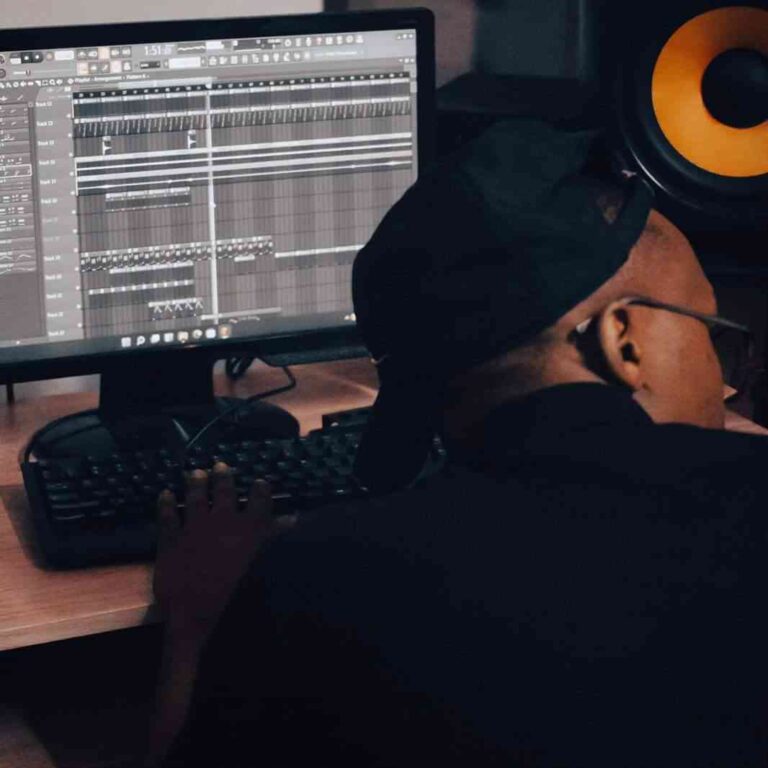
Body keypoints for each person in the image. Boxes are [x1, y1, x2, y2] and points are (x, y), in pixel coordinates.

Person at [149, 120, 768, 768]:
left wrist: (200, 623)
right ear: (623, 341)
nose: (722, 376)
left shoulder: (318, 583)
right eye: (712, 334)